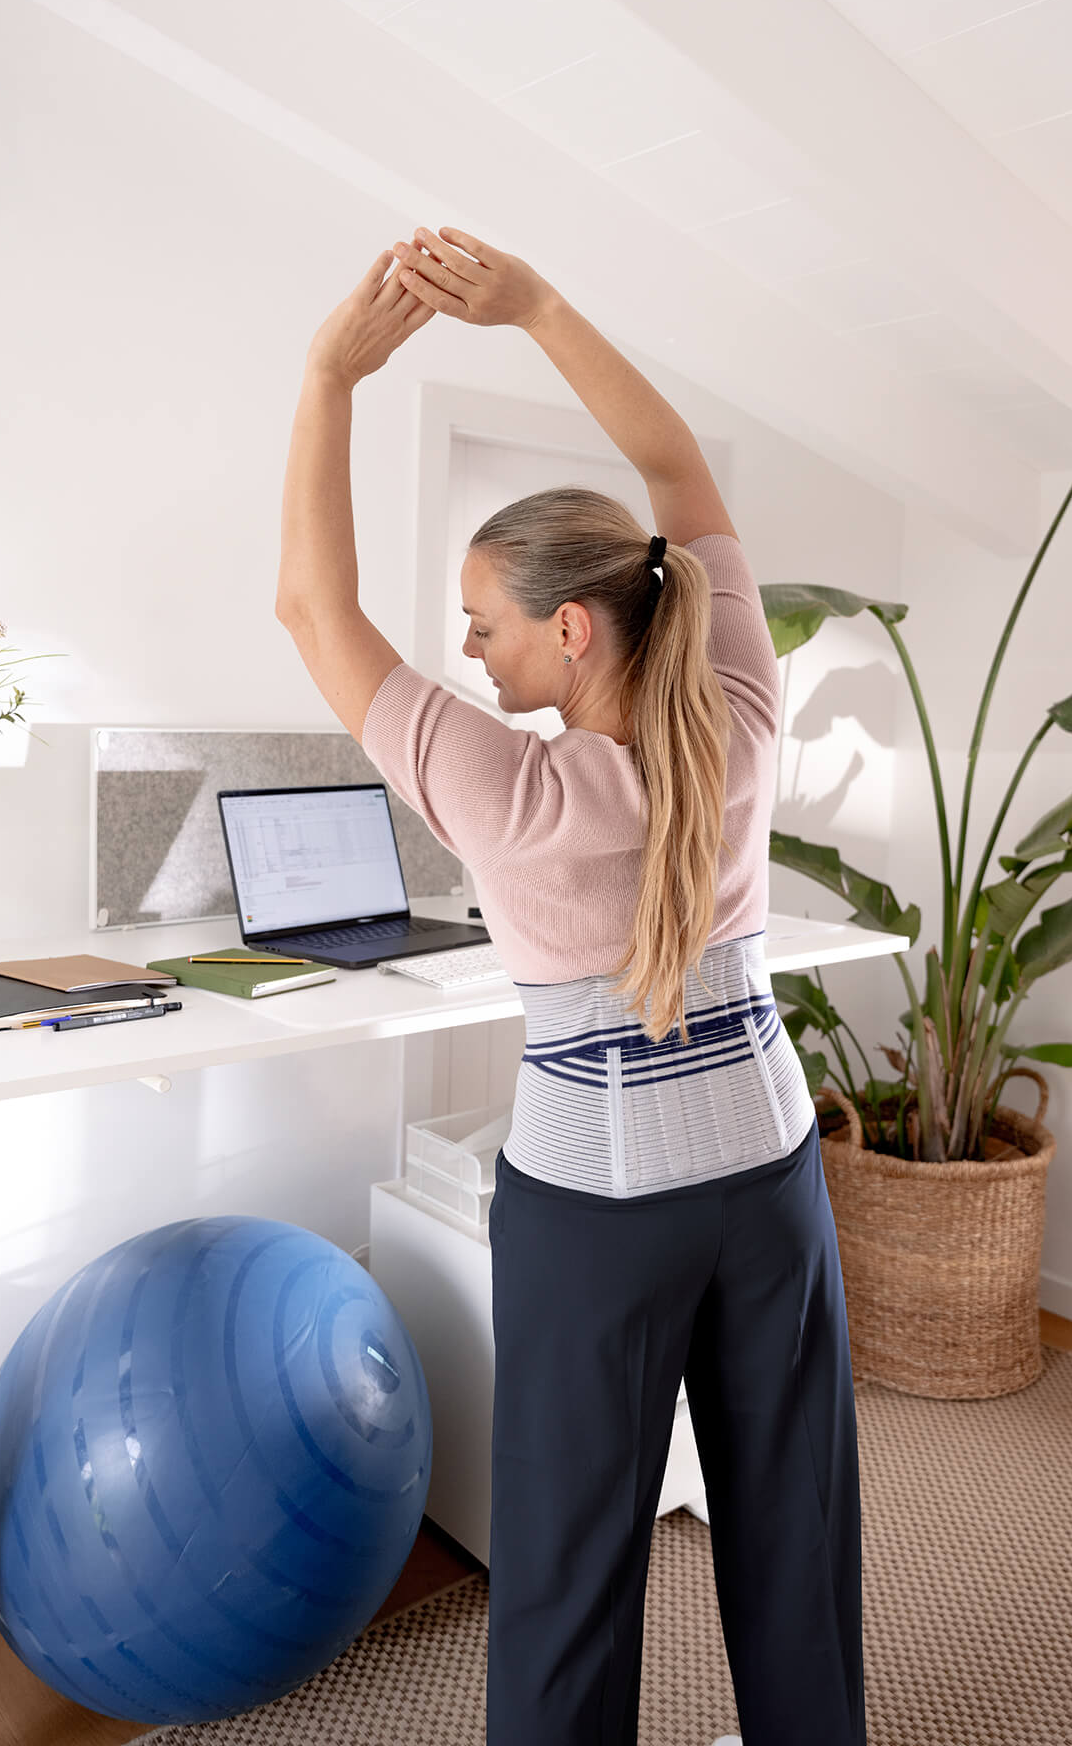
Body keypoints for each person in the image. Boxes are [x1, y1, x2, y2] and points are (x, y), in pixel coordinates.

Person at [333, 226, 866, 1746]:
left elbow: (314, 612)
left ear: (572, 631)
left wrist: (330, 376)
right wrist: (538, 310)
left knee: (569, 1577)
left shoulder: (509, 789)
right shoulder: (744, 711)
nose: (467, 651)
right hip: (770, 1173)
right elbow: (681, 476)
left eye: (486, 624)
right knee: (797, 1541)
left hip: (598, 1202)